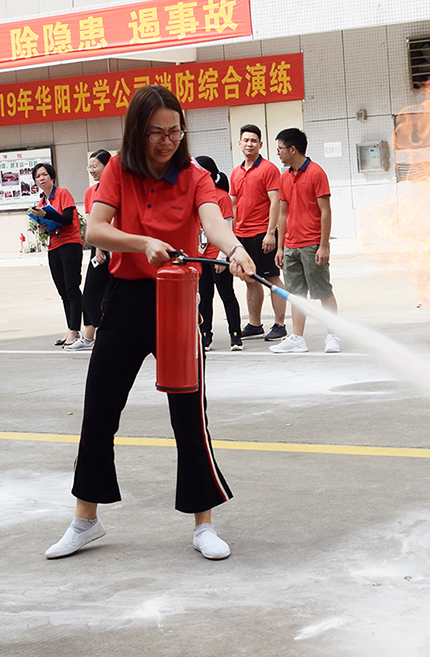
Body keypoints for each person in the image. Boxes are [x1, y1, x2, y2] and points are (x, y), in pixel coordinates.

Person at [46, 85, 255, 562]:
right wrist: (142, 243)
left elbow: (214, 221)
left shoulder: (195, 175)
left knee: (189, 415)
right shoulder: (119, 169)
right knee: (100, 410)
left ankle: (204, 524)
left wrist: (235, 250)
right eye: (156, 132)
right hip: (125, 300)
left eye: (175, 131)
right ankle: (85, 519)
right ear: (136, 132)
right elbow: (95, 229)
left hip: (177, 301)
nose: (167, 140)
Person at [270, 128, 340, 354]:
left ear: (293, 149)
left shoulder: (316, 173)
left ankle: (332, 335)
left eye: (280, 148)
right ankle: (297, 338)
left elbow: (325, 211)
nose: (278, 153)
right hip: (291, 246)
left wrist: (323, 245)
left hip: (312, 245)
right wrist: (280, 247)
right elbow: (282, 214)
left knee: (323, 291)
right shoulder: (284, 177)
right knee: (296, 295)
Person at [229, 125, 287, 343]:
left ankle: (280, 325)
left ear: (260, 144)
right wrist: (232, 235)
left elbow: (275, 203)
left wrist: (271, 233)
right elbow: (233, 205)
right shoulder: (235, 173)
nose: (249, 144)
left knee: (272, 278)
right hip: (242, 234)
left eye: (254, 140)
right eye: (246, 140)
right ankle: (255, 325)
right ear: (239, 143)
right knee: (250, 279)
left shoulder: (268, 169)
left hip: (262, 233)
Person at [28, 162, 84, 347]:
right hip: (54, 246)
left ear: (52, 176)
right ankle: (71, 329)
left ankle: (74, 330)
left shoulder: (62, 193)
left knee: (72, 288)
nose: (42, 178)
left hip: (70, 244)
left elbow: (67, 219)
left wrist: (47, 214)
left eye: (45, 174)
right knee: (62, 291)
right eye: (38, 176)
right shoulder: (42, 202)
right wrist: (43, 226)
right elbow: (49, 221)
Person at [194, 156, 242, 352]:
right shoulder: (197, 195)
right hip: (201, 256)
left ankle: (236, 336)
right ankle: (206, 336)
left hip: (218, 256)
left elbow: (227, 226)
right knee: (204, 298)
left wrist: (223, 257)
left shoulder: (221, 196)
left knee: (227, 295)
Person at [67, 150, 112, 352]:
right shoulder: (90, 192)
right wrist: (98, 246)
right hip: (99, 248)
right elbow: (91, 221)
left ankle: (110, 335)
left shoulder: (117, 188)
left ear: (107, 166)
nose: (92, 170)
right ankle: (89, 337)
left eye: (95, 166)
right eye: (90, 167)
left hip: (118, 246)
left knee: (115, 294)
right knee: (91, 293)